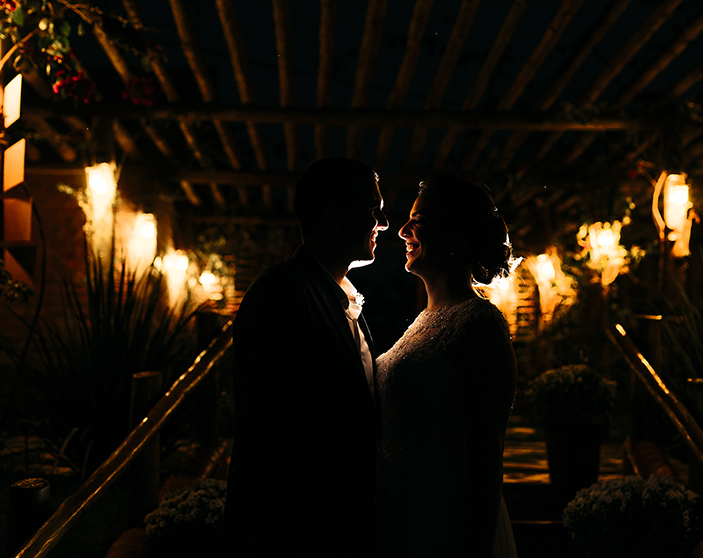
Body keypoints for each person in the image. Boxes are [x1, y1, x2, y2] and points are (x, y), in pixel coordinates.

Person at [220, 156, 388, 557]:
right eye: (373, 210)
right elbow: (276, 437)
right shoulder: (279, 295)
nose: (382, 223)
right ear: (336, 217)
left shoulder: (338, 295)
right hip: (298, 533)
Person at [375, 173, 518, 558]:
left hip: (443, 523)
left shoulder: (479, 324)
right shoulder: (422, 320)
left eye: (417, 221)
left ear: (454, 236)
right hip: (400, 515)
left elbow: (488, 457)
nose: (403, 231)